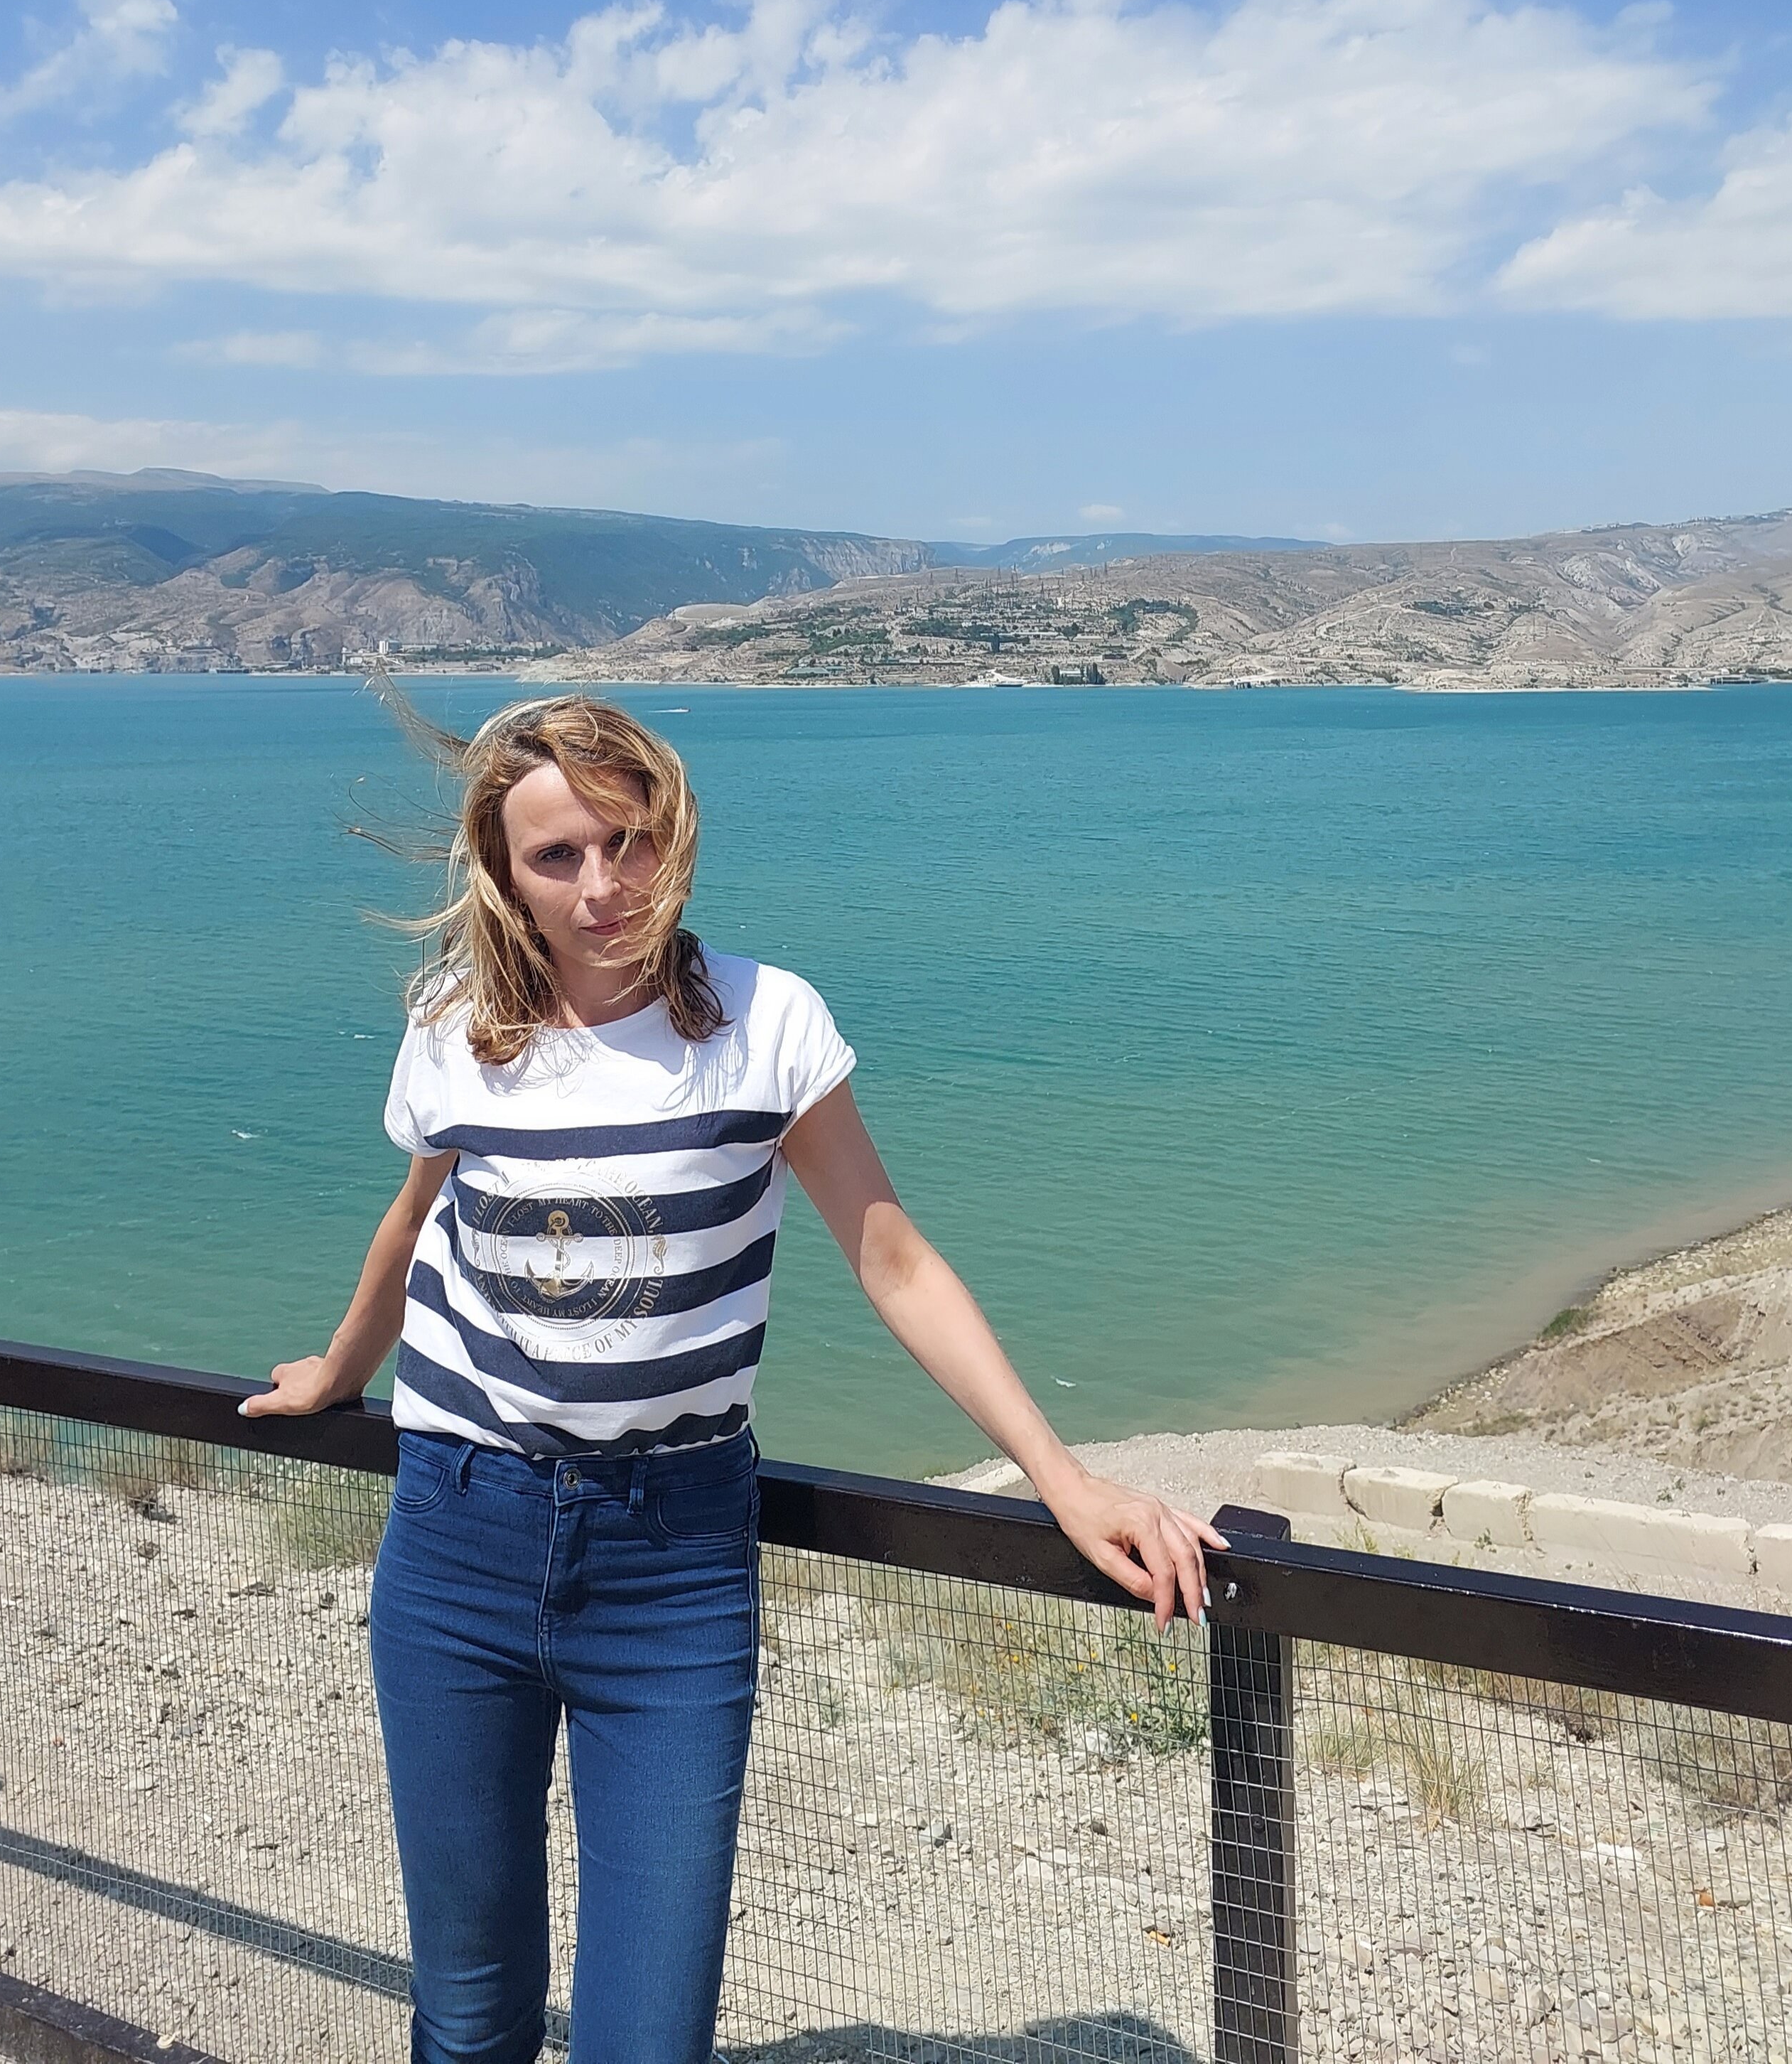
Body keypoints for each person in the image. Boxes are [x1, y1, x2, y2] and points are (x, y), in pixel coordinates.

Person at [244, 694, 1221, 2064]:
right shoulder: (458, 1023)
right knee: (468, 2016)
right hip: (457, 1538)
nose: (604, 886)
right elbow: (417, 1219)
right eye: (558, 855)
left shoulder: (769, 1024)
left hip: (675, 1565)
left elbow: (893, 1257)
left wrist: (1062, 1480)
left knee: (651, 2040)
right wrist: (338, 1371)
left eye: (630, 841)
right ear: (505, 873)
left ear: (675, 834)